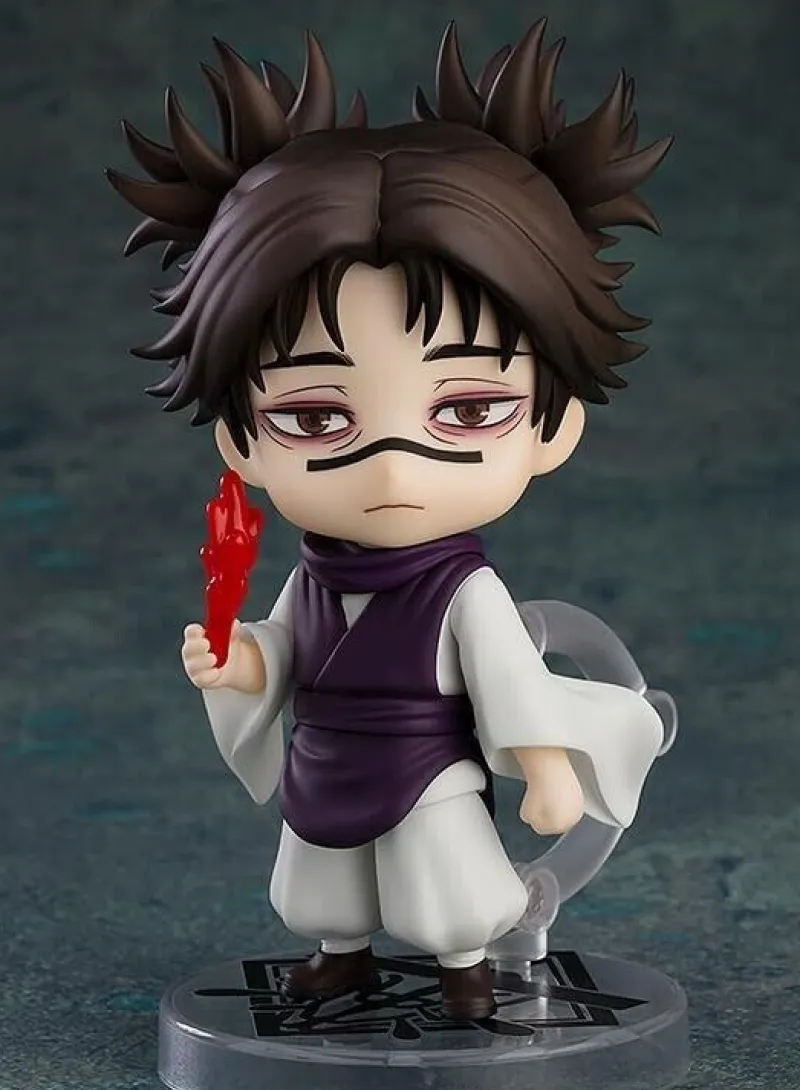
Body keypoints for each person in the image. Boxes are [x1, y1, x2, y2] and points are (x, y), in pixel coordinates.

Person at [108, 18, 671, 1020]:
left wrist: (546, 771)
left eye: (467, 410)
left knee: (440, 878)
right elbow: (284, 647)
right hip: (327, 756)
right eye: (316, 417)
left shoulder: (465, 590)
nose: (393, 464)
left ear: (550, 426)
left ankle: (464, 965)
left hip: (428, 765)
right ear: (243, 441)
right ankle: (342, 955)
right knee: (321, 881)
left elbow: (512, 688)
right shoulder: (314, 575)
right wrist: (240, 664)